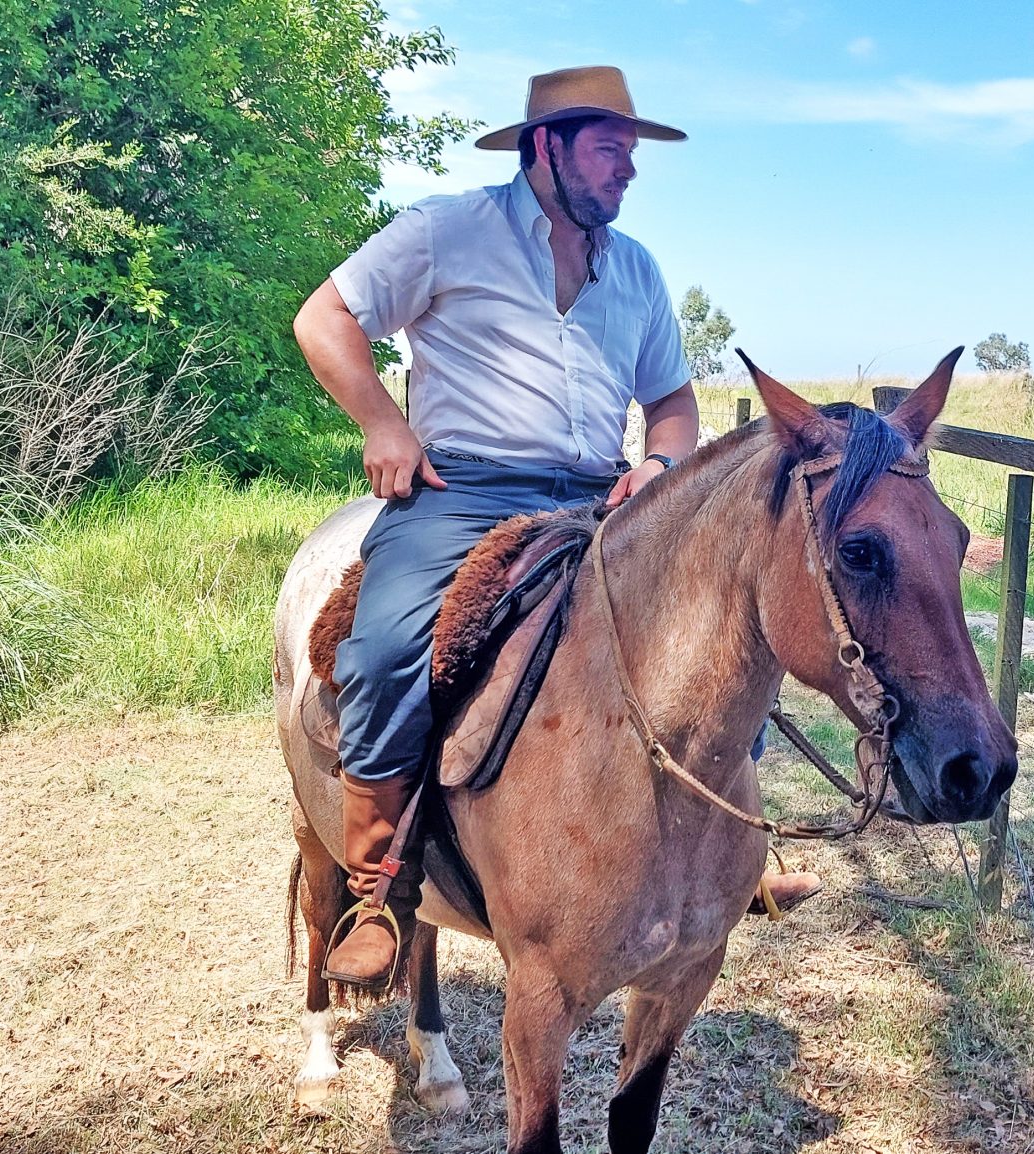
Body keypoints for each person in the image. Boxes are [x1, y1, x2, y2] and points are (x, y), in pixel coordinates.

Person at [291, 66, 816, 988]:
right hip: (468, 489)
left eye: (631, 152)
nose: (628, 170)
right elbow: (324, 317)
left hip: (601, 497)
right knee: (382, 648)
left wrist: (656, 466)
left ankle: (735, 852)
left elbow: (671, 404)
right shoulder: (448, 231)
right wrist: (383, 423)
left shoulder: (638, 269)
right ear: (547, 147)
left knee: (726, 633)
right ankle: (379, 887)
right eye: (611, 149)